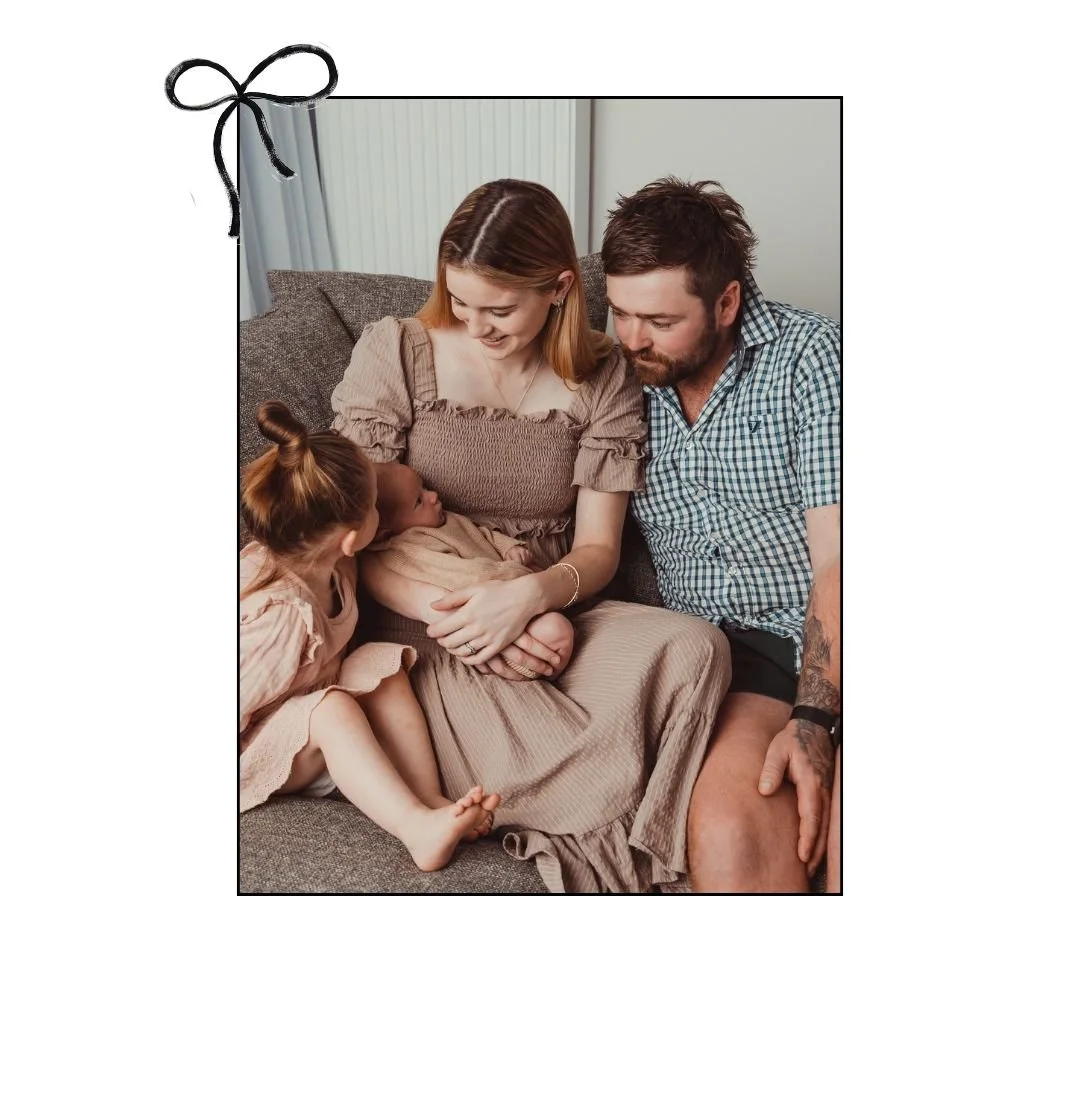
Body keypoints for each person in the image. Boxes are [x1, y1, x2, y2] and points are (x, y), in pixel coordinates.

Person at [331, 177, 731, 895]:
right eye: (459, 300)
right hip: (430, 617)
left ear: (559, 289)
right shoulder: (397, 352)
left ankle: (625, 805)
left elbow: (599, 552)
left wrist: (525, 601)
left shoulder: (603, 373)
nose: (475, 324)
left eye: (500, 307)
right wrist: (456, 614)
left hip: (550, 609)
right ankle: (615, 820)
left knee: (696, 649)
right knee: (572, 742)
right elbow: (348, 536)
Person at [601, 178, 841, 894]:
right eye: (619, 313)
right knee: (731, 833)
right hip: (732, 659)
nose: (633, 339)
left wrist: (815, 720)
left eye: (660, 321)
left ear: (727, 302)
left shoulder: (811, 358)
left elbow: (843, 556)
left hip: (824, 625)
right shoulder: (614, 382)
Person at [239, 400, 500, 871]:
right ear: (351, 537)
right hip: (249, 754)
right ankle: (416, 829)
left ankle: (429, 800)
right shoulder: (278, 618)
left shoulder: (335, 561)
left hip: (301, 709)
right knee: (332, 709)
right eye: (375, 506)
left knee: (379, 664)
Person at [366, 461, 576, 677]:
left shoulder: (444, 519)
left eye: (424, 487)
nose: (433, 496)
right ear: (385, 532)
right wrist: (522, 577)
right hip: (487, 614)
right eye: (418, 501)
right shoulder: (412, 547)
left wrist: (508, 547)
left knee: (558, 623)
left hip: (517, 591)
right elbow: (467, 578)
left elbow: (483, 534)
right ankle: (529, 670)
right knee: (555, 631)